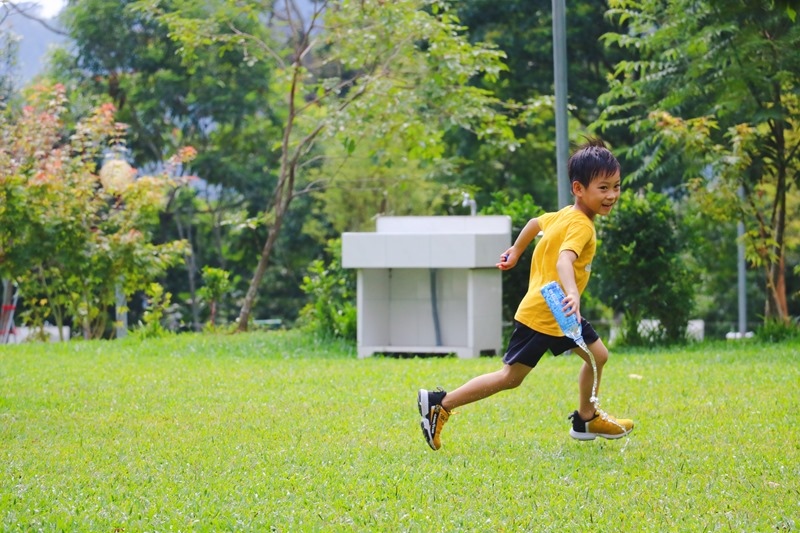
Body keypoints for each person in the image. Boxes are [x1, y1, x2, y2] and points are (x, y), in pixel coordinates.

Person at [417, 137, 634, 451]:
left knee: (597, 355)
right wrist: (572, 293)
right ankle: (441, 404)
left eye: (616, 186)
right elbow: (564, 260)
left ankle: (586, 418)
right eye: (603, 188)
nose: (612, 195)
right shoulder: (582, 226)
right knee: (510, 377)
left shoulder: (563, 215)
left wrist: (516, 251)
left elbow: (534, 223)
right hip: (548, 313)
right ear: (579, 189)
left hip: (556, 311)